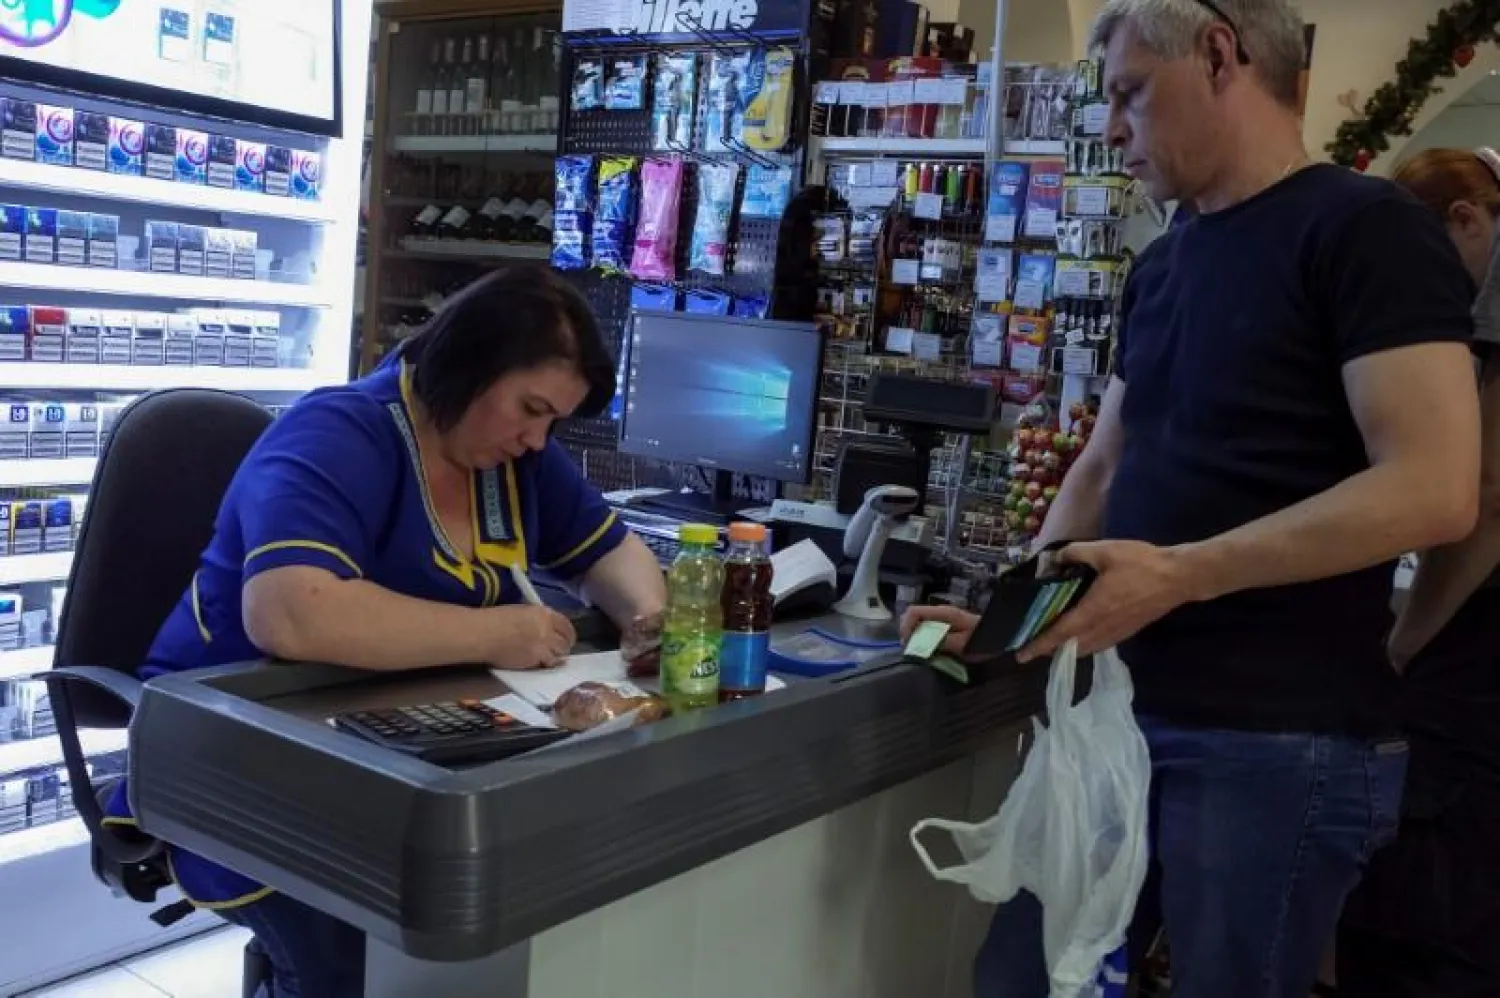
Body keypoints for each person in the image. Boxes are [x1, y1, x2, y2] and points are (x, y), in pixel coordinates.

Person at [903, 1, 1482, 995]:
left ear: (1221, 54)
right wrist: (1014, 613)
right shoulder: (1166, 259)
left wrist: (1178, 575)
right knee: (1018, 977)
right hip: (1118, 720)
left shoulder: (1366, 229)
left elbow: (1434, 489)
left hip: (1277, 735)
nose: (1114, 127)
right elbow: (1101, 468)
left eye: (1131, 93)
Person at [101, 267, 667, 997]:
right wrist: (490, 632)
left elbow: (609, 551)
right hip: (236, 756)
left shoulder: (511, 458)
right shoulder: (337, 432)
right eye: (529, 410)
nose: (536, 440)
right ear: (468, 368)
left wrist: (647, 621)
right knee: (356, 950)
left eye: (552, 421)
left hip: (409, 752)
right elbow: (290, 612)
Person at [1335, 147, 1500, 998]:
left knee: (1426, 918)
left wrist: (1400, 646)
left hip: (1473, 681)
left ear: (1468, 223)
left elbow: (1484, 502)